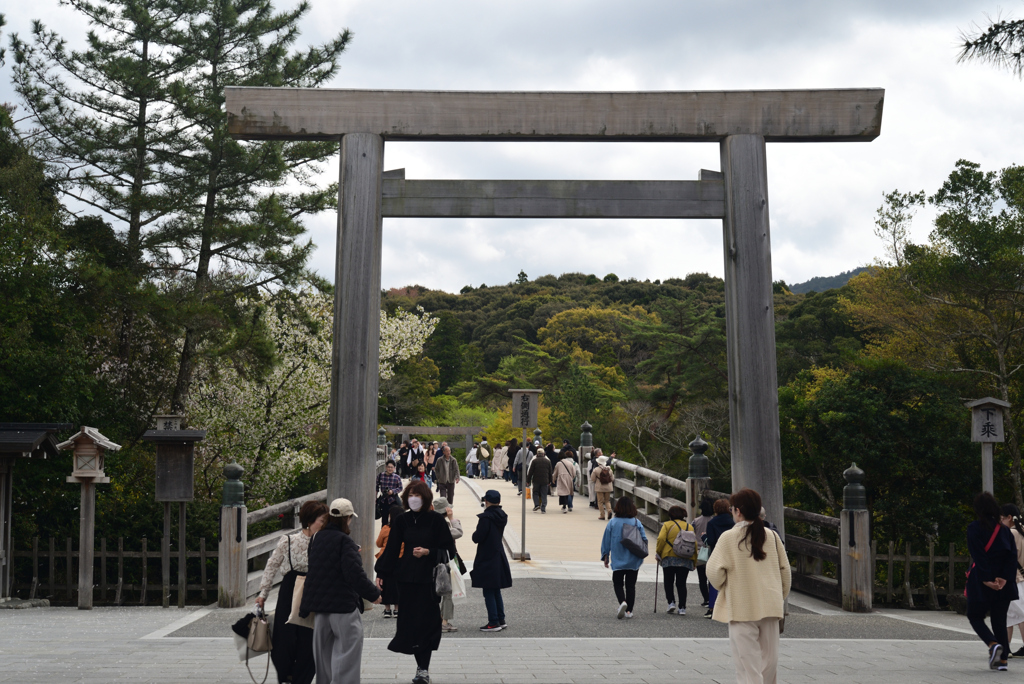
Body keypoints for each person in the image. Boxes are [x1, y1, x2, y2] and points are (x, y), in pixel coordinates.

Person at [374, 481, 457, 684]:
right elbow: (392, 549)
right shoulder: (402, 520)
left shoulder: (436, 521)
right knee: (410, 623)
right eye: (410, 494)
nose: (413, 498)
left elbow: (450, 551)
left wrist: (429, 552)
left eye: (417, 495)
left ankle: (423, 669)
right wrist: (381, 573)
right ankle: (419, 664)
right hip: (406, 579)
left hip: (428, 580)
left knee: (427, 623)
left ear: (425, 497)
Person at [706, 488, 791, 684]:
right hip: (770, 605)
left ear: (737, 511)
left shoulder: (729, 537)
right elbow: (785, 571)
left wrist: (725, 586)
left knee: (747, 666)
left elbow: (713, 572)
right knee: (769, 663)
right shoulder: (772, 536)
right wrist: (778, 595)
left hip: (742, 606)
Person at [299, 498, 382, 684]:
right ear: (348, 518)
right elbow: (354, 574)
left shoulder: (316, 538)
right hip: (343, 608)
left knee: (324, 659)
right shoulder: (345, 542)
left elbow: (315, 571)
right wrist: (374, 594)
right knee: (347, 656)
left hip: (320, 609)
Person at [254, 501, 328, 684]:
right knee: (284, 638)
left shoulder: (327, 540)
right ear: (309, 520)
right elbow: (272, 565)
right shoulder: (288, 540)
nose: (324, 524)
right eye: (321, 520)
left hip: (314, 589)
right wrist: (263, 593)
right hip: (290, 588)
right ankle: (286, 674)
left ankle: (302, 679)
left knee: (309, 638)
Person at [966, 491, 1018, 671]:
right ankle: (1003, 661)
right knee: (999, 619)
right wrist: (1004, 578)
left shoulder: (974, 528)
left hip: (982, 580)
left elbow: (978, 555)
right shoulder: (1005, 531)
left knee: (974, 615)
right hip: (1004, 582)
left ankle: (992, 643)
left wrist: (987, 579)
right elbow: (1012, 557)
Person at [472, 489, 513, 631]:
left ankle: (493, 622)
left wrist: (474, 534)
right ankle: (501, 619)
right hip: (498, 553)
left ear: (486, 501)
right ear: (499, 502)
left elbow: (477, 537)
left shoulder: (486, 518)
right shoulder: (502, 516)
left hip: (486, 556)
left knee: (488, 590)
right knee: (495, 589)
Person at [601, 496, 647, 619]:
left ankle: (622, 602)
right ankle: (629, 611)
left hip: (618, 559)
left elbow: (606, 541)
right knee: (631, 586)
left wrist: (605, 555)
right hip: (633, 560)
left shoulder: (612, 522)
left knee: (617, 583)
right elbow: (644, 540)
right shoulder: (637, 522)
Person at [656, 505, 697, 616]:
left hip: (669, 557)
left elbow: (661, 539)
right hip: (685, 558)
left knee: (668, 582)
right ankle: (682, 607)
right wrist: (694, 560)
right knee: (681, 583)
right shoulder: (689, 527)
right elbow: (694, 544)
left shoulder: (667, 525)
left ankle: (671, 602)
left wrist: (658, 553)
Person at [432, 496, 463, 633]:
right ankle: (444, 622)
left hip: (432, 561)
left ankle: (436, 620)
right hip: (443, 563)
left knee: (434, 592)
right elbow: (458, 532)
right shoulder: (442, 525)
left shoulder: (430, 522)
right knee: (447, 592)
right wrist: (452, 519)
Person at [704, 497, 735, 618]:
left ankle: (713, 607)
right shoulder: (732, 522)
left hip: (717, 554)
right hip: (731, 554)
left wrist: (703, 537)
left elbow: (710, 540)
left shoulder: (712, 522)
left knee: (713, 580)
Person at [1001, 503, 1024, 656]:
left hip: (1014, 578)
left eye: (1001, 518)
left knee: (1021, 613)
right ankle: (1005, 647)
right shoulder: (1021, 532)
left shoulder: (1011, 533)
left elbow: (1004, 556)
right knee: (1009, 614)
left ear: (1009, 518)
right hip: (1021, 577)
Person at [375, 505, 405, 619]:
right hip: (400, 559)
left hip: (385, 559)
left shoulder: (386, 529)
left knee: (385, 584)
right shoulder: (404, 528)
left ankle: (387, 609)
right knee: (397, 584)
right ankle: (397, 609)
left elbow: (378, 543)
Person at [692, 497, 714, 608]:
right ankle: (711, 598)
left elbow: (691, 534)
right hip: (711, 551)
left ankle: (705, 599)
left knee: (702, 578)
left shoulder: (696, 521)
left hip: (699, 551)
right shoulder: (714, 520)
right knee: (711, 578)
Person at [526, 446, 552, 513]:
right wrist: (550, 481)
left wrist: (528, 481)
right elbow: (550, 472)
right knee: (544, 494)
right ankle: (543, 508)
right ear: (543, 454)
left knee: (535, 493)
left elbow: (530, 472)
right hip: (545, 480)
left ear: (537, 454)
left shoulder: (534, 461)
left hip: (536, 480)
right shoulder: (548, 461)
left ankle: (536, 504)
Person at [590, 455, 615, 520]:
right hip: (608, 487)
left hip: (599, 487)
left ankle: (602, 515)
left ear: (599, 462)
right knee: (607, 500)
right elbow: (612, 478)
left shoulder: (596, 470)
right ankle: (609, 511)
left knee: (600, 501)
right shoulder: (609, 469)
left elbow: (592, 479)